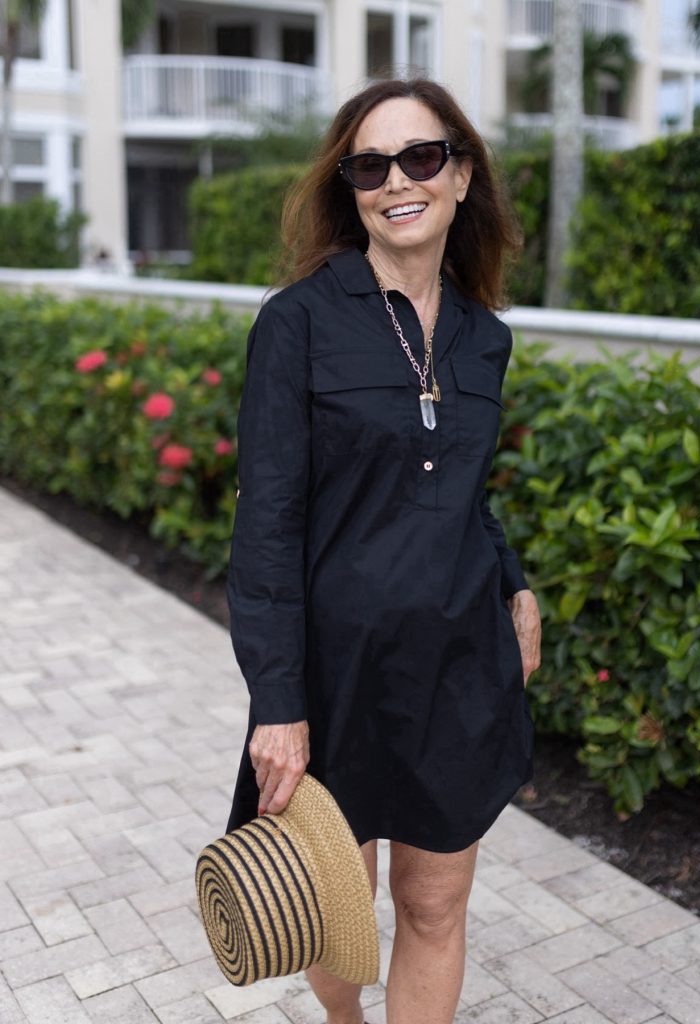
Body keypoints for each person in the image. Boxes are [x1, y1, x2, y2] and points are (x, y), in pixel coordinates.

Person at [225, 77, 541, 1024]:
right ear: (349, 184)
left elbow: (460, 491)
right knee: (334, 914)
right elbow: (266, 523)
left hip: (457, 669)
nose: (396, 180)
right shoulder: (299, 322)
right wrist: (278, 702)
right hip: (335, 674)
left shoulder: (486, 338)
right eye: (371, 164)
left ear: (460, 173)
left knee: (434, 908)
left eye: (420, 157)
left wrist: (514, 584)